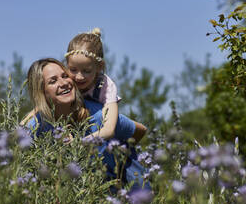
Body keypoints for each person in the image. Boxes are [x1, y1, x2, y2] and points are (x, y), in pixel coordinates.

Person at [23, 58, 150, 190]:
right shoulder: (37, 127)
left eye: (65, 76)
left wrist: (121, 161)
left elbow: (140, 130)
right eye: (53, 81)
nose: (63, 83)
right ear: (41, 92)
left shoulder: (100, 116)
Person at [64, 28, 146, 141]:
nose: (79, 77)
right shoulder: (65, 79)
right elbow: (42, 105)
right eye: (73, 69)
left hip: (109, 132)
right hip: (88, 129)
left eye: (86, 71)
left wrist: (78, 144)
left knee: (101, 117)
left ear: (99, 67)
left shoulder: (105, 86)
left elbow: (109, 130)